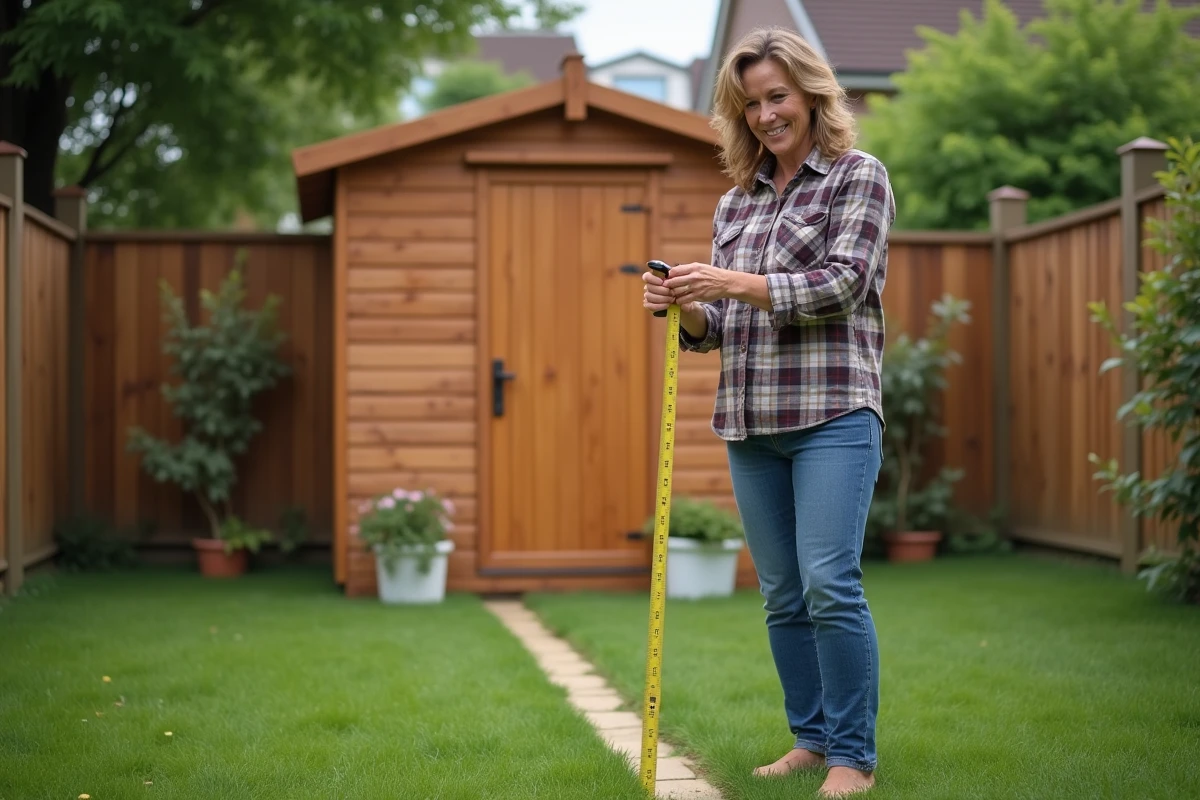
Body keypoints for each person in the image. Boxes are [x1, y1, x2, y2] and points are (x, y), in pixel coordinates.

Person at [642, 25, 894, 798]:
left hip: (832, 415)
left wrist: (730, 283)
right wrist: (681, 304)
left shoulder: (858, 176)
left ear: (811, 94)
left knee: (829, 582)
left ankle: (854, 757)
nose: (765, 115)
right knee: (782, 593)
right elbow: (715, 331)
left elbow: (844, 284)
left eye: (777, 97)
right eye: (750, 103)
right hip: (751, 424)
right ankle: (811, 740)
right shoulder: (734, 203)